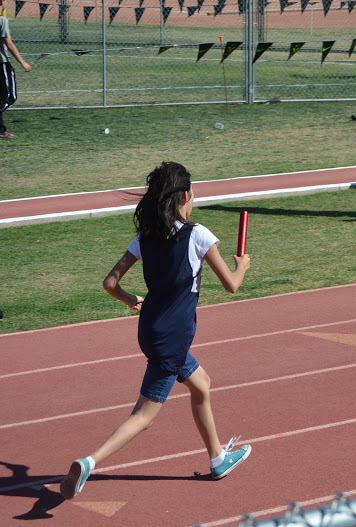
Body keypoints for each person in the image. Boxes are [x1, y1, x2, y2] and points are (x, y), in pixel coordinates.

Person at [60, 162, 252, 500]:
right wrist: (242, 266)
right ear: (184, 196)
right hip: (172, 338)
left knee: (201, 385)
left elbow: (109, 283)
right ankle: (89, 462)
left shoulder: (146, 237)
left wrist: (130, 298)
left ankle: (218, 458)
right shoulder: (198, 234)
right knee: (144, 415)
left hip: (149, 330)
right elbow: (232, 286)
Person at [0, 0, 31, 138]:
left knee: (1, 97)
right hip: (2, 64)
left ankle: (0, 131)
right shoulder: (2, 20)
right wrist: (22, 62)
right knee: (10, 97)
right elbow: (9, 43)